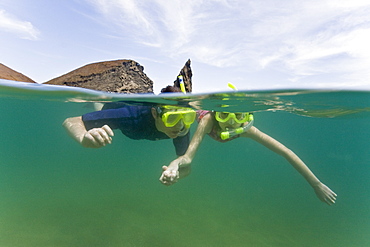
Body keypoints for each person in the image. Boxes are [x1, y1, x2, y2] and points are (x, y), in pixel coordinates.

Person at [160, 110, 337, 205]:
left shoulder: (248, 129)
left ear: (246, 117)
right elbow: (188, 158)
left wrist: (316, 184)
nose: (230, 123)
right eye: (224, 115)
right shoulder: (208, 121)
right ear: (216, 114)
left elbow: (286, 152)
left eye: (237, 116)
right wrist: (175, 164)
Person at [62, 86, 196, 156]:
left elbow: (183, 158)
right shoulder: (130, 116)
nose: (180, 126)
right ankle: (96, 101)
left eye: (186, 117)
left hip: (136, 130)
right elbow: (71, 121)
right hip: (116, 106)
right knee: (101, 106)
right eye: (171, 118)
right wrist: (83, 139)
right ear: (155, 113)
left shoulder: (183, 128)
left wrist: (177, 167)